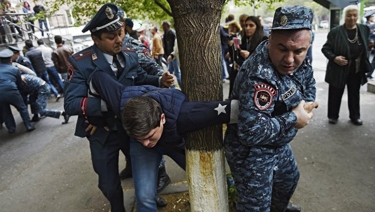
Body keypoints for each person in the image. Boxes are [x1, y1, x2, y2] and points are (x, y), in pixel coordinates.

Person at [63, 3, 174, 212]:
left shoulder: (129, 54)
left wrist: (160, 80)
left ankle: (148, 197)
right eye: (111, 37)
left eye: (120, 33)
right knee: (108, 182)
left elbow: (138, 79)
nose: (119, 40)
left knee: (144, 168)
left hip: (131, 129)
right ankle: (117, 207)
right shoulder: (81, 63)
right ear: (96, 39)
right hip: (103, 131)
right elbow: (70, 104)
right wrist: (109, 108)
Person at [87, 70, 238, 212]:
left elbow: (233, 110)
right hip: (145, 149)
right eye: (140, 138)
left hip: (174, 140)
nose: (146, 143)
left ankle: (233, 195)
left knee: (211, 177)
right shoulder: (120, 100)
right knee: (144, 197)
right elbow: (96, 78)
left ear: (162, 119)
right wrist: (95, 118)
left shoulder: (185, 115)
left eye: (149, 137)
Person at [224, 6, 318, 212]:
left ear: (307, 45)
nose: (290, 60)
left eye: (299, 51)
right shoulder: (258, 75)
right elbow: (251, 132)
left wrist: (304, 104)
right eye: (282, 49)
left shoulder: (300, 59)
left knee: (288, 180)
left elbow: (309, 83)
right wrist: (294, 117)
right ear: (270, 40)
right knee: (255, 206)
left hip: (277, 141)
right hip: (251, 152)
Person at [322, 5, 371, 126]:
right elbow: (325, 48)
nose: (352, 18)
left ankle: (355, 116)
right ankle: (333, 116)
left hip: (356, 68)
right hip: (338, 68)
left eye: (355, 15)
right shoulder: (335, 32)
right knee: (335, 93)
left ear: (358, 17)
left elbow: (365, 43)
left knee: (354, 93)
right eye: (349, 15)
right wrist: (335, 58)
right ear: (344, 17)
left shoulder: (364, 29)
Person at [0, 48, 35, 133]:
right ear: (10, 59)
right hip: (11, 90)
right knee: (22, 107)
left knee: (5, 110)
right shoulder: (14, 69)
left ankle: (11, 128)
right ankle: (28, 125)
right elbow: (20, 84)